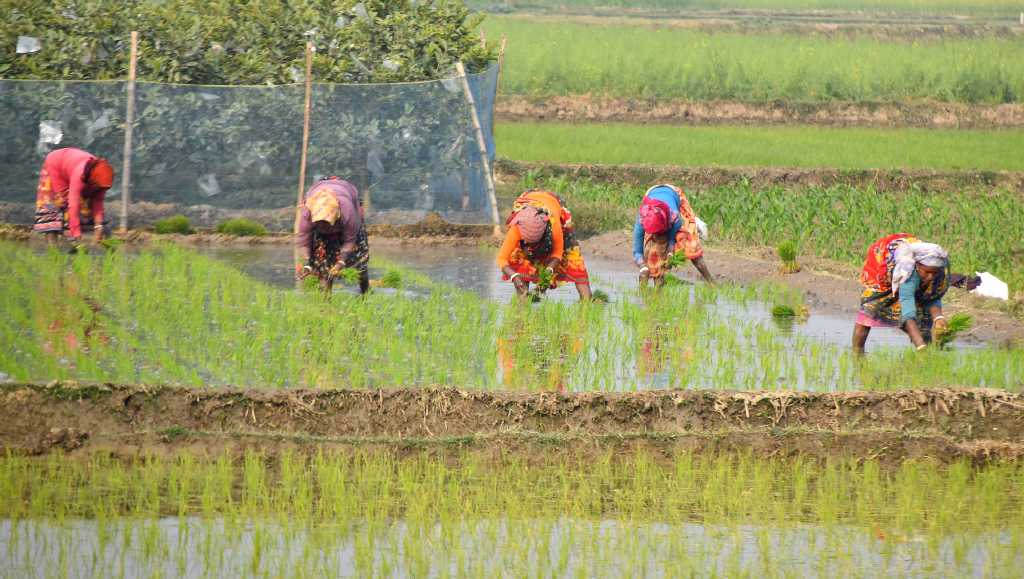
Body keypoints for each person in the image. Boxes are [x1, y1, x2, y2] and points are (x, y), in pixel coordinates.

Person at [854, 233, 950, 353]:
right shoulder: (908, 275)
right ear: (917, 265)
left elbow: (932, 295)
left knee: (922, 320)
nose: (931, 277)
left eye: (935, 273)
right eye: (927, 272)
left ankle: (929, 350)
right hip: (881, 266)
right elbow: (908, 314)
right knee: (871, 308)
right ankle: (857, 353)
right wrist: (920, 346)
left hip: (911, 269)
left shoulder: (941, 271)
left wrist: (938, 318)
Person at [497, 189, 591, 301]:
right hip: (529, 202)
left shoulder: (554, 225)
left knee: (575, 261)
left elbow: (557, 253)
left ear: (544, 233)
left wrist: (549, 271)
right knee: (521, 259)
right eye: (529, 243)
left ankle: (587, 301)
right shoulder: (517, 227)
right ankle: (523, 298)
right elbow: (501, 258)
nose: (532, 246)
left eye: (535, 242)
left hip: (553, 205)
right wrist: (514, 276)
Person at [296, 178, 370, 296]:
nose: (322, 226)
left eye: (325, 222)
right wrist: (307, 264)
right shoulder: (308, 213)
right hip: (319, 194)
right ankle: (326, 301)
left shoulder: (347, 212)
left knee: (358, 256)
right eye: (318, 222)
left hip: (347, 197)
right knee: (321, 260)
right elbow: (304, 242)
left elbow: (350, 240)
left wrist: (340, 262)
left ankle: (365, 292)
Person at [632, 184, 713, 287]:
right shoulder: (641, 222)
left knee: (690, 245)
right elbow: (637, 250)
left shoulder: (674, 217)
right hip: (652, 194)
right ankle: (656, 288)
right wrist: (643, 268)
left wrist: (670, 254)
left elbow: (672, 239)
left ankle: (711, 282)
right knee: (654, 255)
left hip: (673, 193)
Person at [34, 148, 115, 243]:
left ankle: (112, 253)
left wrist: (98, 226)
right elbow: (73, 207)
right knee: (54, 208)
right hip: (55, 165)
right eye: (96, 188)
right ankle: (52, 252)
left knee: (95, 215)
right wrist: (78, 240)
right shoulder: (80, 176)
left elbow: (98, 201)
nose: (98, 190)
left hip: (72, 167)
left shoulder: (103, 178)